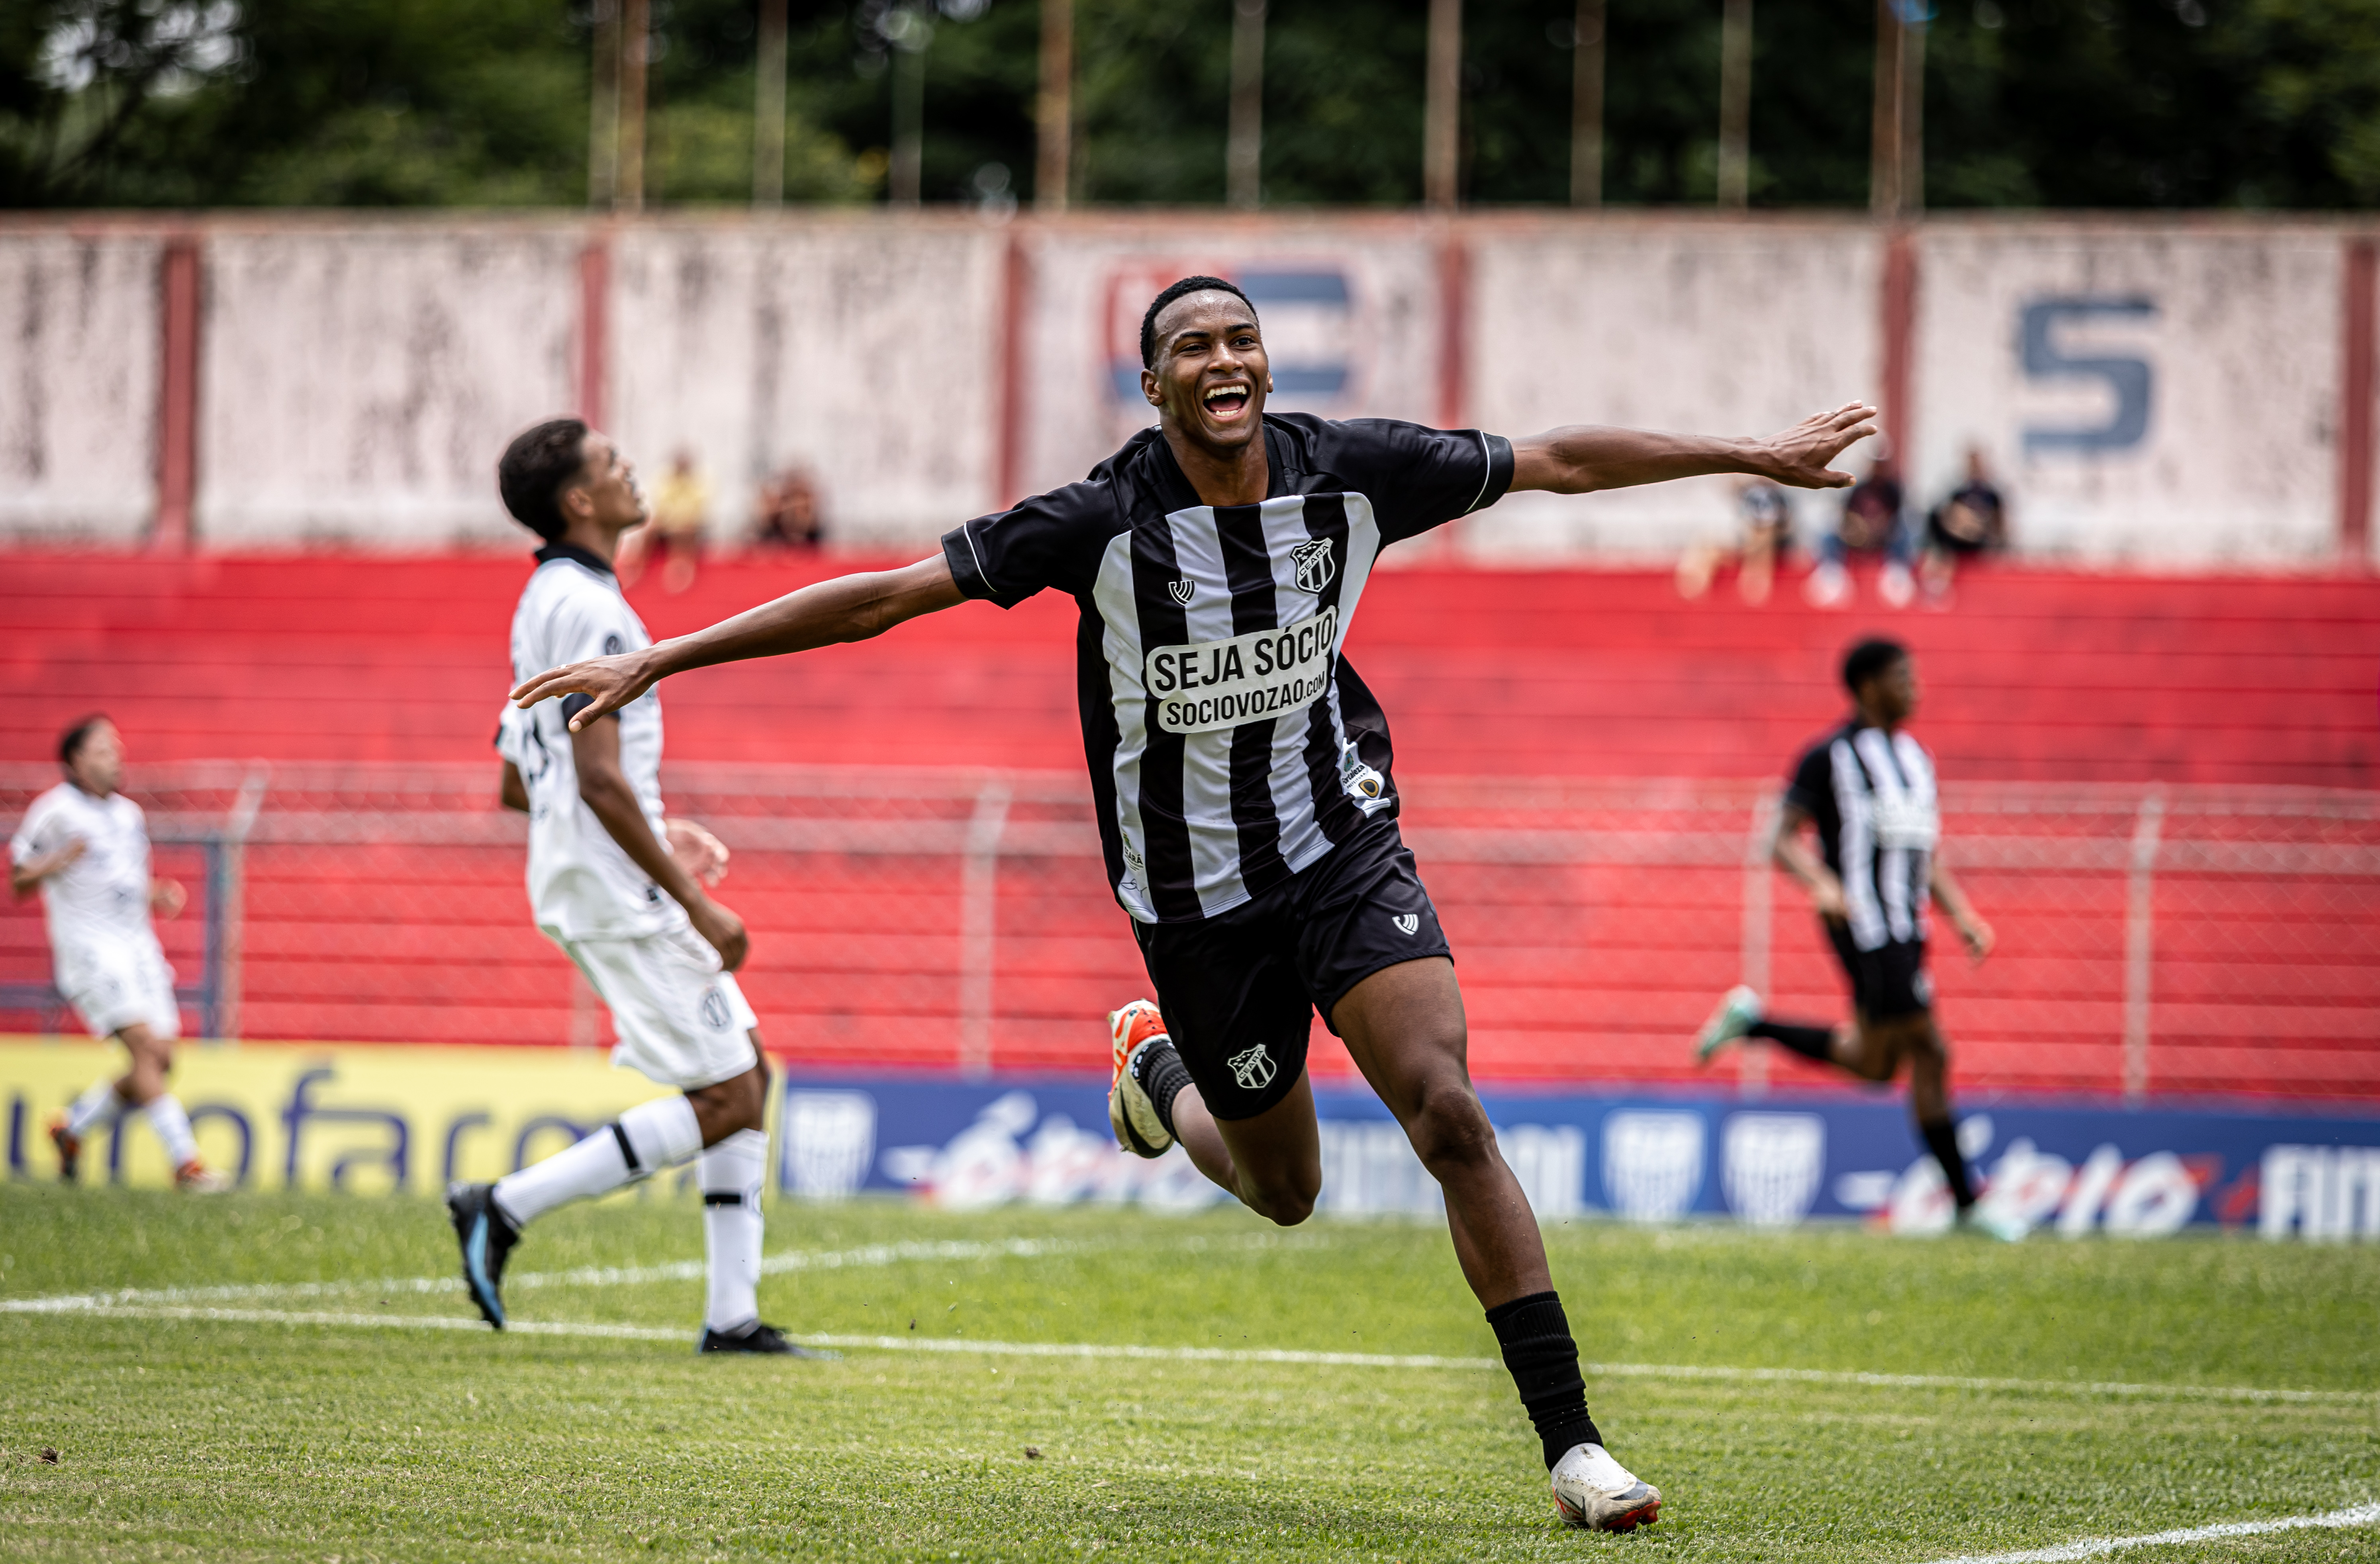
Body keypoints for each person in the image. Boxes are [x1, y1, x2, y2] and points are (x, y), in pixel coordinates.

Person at [508, 276, 1875, 1530]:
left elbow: (1560, 462)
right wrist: (674, 652)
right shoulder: (1096, 520)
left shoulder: (1352, 471)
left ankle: (1572, 1445)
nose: (1222, 359)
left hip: (1342, 847)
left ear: (1262, 365)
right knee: (1284, 1190)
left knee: (1447, 1108)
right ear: (1152, 387)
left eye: (1238, 338)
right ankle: (1155, 1070)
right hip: (1193, 901)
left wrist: (1755, 455)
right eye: (1189, 347)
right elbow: (884, 600)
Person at [445, 418, 819, 1356]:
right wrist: (690, 897)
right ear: (579, 500)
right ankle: (506, 1204)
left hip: (591, 873)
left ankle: (731, 1317)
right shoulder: (598, 613)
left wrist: (653, 827)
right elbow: (599, 778)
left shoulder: (542, 602)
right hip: (621, 892)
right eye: (611, 464)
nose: (629, 471)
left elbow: (513, 778)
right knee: (729, 1095)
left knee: (745, 1074)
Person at [1692, 637, 2007, 1235]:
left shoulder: (1917, 759)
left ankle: (1752, 1021)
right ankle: (1968, 1203)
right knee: (1930, 1049)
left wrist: (1961, 915)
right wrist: (1822, 883)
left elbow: (1922, 853)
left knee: (1874, 1064)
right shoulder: (1828, 757)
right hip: (1862, 924)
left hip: (1907, 929)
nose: (1914, 687)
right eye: (1902, 676)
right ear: (1867, 685)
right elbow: (1780, 837)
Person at [10, 715, 225, 1192]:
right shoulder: (56, 810)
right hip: (90, 949)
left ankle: (73, 1128)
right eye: (105, 749)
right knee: (146, 1048)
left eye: (118, 747)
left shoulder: (130, 815)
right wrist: (58, 860)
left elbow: (117, 882)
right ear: (76, 761)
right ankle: (186, 1163)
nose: (117, 756)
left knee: (162, 1058)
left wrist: (155, 895)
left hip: (137, 946)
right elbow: (19, 878)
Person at [1806, 457, 1914, 609]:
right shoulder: (1859, 489)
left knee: (1904, 530)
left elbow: (1895, 517)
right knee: (1830, 534)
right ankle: (1832, 571)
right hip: (1858, 534)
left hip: (1885, 535)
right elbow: (1847, 516)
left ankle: (1897, 572)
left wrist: (1879, 526)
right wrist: (1858, 527)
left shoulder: (1893, 490)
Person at [1676, 475, 1792, 604]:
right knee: (1705, 542)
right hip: (1750, 540)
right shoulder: (1751, 492)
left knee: (1764, 538)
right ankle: (1695, 581)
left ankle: (1756, 580)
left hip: (1770, 543)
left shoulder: (1773, 496)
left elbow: (1777, 528)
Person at [1920, 449, 2007, 600]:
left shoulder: (1992, 495)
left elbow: (1999, 526)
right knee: (1942, 529)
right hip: (1957, 539)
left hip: (1981, 540)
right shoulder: (1959, 493)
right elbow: (1946, 516)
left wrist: (1980, 530)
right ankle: (1935, 583)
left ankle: (1937, 584)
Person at [621, 446, 711, 592]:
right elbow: (662, 506)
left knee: (685, 531)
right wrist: (671, 522)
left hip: (689, 527)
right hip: (670, 524)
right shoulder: (666, 480)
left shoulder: (700, 482)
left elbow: (698, 511)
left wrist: (678, 522)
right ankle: (638, 569)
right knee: (649, 530)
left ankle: (680, 571)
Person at [753, 464, 825, 548]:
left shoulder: (814, 528)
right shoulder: (775, 523)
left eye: (801, 498)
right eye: (794, 498)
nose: (798, 503)